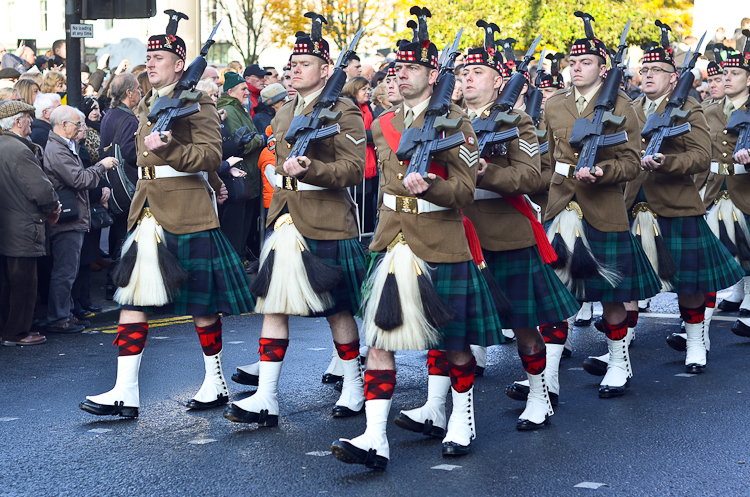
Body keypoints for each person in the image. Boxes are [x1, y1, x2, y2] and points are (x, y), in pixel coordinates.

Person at [331, 13, 502, 469]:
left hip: (440, 238)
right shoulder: (381, 124)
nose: (398, 75)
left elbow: (464, 190)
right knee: (379, 340)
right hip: (393, 240)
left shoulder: (456, 125)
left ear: (431, 76)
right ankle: (373, 436)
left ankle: (460, 419)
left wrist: (434, 186)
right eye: (395, 69)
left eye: (409, 69)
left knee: (453, 340)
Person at [79, 12, 253, 418]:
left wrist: (174, 150)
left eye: (159, 58)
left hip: (187, 211)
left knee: (203, 304)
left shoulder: (199, 102)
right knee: (132, 297)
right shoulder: (150, 104)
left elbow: (210, 154)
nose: (150, 63)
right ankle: (125, 390)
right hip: (149, 210)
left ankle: (215, 380)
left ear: (179, 64)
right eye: (149, 56)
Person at [224, 16, 368, 430]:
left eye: (304, 63)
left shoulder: (344, 110)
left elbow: (353, 169)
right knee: (273, 303)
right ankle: (266, 396)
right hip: (285, 218)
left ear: (326, 70)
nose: (294, 69)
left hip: (325, 219)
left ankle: (354, 386)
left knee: (336, 309)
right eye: (292, 63)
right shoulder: (286, 109)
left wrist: (312, 169)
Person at [456, 28, 579, 429]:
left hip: (505, 234)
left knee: (525, 326)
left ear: (498, 81)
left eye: (477, 71)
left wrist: (485, 172)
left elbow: (530, 178)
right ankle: (447, 409)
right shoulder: (446, 121)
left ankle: (539, 394)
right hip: (456, 233)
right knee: (455, 328)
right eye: (463, 71)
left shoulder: (518, 121)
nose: (468, 77)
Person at [543, 14, 661, 399]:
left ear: (602, 68)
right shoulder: (555, 105)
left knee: (612, 296)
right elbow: (547, 159)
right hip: (563, 204)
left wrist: (603, 170)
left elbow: (632, 163)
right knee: (557, 294)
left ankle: (618, 361)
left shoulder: (622, 106)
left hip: (603, 206)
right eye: (572, 63)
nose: (576, 69)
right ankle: (548, 376)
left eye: (586, 63)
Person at [620, 36, 744, 374]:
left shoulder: (688, 108)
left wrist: (667, 162)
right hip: (632, 205)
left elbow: (702, 157)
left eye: (657, 70)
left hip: (674, 205)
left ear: (673, 77)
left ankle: (694, 344)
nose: (647, 75)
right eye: (644, 69)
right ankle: (620, 355)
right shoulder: (629, 109)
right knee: (627, 283)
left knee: (688, 283)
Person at [43, 105, 118, 333]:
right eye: (78, 124)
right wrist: (101, 167)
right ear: (63, 125)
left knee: (70, 271)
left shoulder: (64, 146)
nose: (82, 128)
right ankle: (59, 318)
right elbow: (79, 179)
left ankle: (66, 314)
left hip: (73, 220)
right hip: (67, 222)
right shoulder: (57, 150)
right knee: (65, 272)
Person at [0, 100, 60, 346]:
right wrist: (53, 206)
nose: (31, 123)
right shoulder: (19, 150)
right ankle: (17, 333)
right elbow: (40, 189)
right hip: (22, 226)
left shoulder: (6, 146)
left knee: (8, 284)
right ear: (17, 121)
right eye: (27, 118)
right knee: (24, 285)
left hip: (8, 226)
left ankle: (9, 330)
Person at [701, 42, 750, 337]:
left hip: (746, 189)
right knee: (716, 258)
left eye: (734, 72)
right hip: (716, 191)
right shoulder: (711, 110)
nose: (727, 77)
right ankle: (697, 328)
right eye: (725, 72)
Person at [98, 73, 141, 301]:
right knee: (127, 236)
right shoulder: (129, 119)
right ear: (128, 93)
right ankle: (119, 284)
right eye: (138, 89)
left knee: (119, 235)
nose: (141, 93)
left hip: (114, 186)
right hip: (127, 187)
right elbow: (130, 153)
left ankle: (112, 285)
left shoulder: (109, 115)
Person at [217, 72, 265, 260]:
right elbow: (242, 143)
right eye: (243, 89)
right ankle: (234, 265)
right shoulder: (230, 110)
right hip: (238, 178)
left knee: (244, 226)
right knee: (234, 229)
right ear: (230, 91)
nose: (247, 92)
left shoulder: (240, 109)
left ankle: (241, 260)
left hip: (248, 177)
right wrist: (262, 139)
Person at [342, 76, 377, 235]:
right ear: (354, 90)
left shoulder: (368, 108)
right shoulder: (349, 107)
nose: (368, 92)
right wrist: (375, 135)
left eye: (369, 89)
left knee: (368, 200)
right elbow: (357, 134)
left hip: (370, 162)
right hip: (356, 161)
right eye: (364, 89)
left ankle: (367, 233)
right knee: (357, 200)